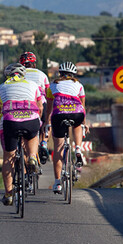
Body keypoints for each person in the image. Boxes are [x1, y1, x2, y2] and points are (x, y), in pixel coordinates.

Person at [0, 63, 43, 206]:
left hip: (10, 122)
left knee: (8, 157)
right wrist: (38, 119)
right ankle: (32, 157)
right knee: (32, 135)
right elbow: (40, 107)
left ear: (7, 75)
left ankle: (8, 194)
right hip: (31, 119)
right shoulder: (33, 85)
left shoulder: (0, 88)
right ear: (23, 74)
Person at [44, 61, 88, 194]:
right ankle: (79, 148)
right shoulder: (79, 85)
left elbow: (48, 109)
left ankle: (57, 183)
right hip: (77, 113)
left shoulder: (53, 85)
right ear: (74, 74)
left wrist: (47, 123)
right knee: (77, 125)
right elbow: (83, 106)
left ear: (60, 74)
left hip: (59, 114)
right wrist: (84, 124)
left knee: (58, 148)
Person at [19, 51, 50, 165]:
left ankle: (23, 151)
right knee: (46, 124)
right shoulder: (42, 75)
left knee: (25, 133)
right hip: (41, 103)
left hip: (25, 105)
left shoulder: (19, 75)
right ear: (34, 64)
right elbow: (48, 94)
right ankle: (44, 143)